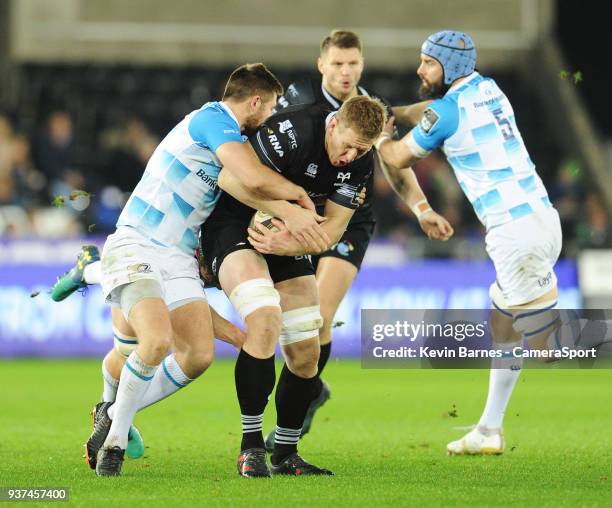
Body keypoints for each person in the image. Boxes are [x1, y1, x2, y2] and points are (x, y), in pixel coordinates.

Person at [82, 63, 331, 476]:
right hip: (139, 242)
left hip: (178, 256)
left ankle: (109, 410)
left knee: (197, 355)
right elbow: (251, 177)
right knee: (153, 342)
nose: (269, 118)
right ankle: (114, 440)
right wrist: (300, 197)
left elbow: (245, 190)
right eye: (268, 108)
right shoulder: (212, 119)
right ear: (254, 101)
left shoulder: (232, 137)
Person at [376, 30, 567, 455]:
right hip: (541, 220)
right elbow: (434, 111)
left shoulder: (447, 112)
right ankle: (488, 430)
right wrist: (403, 111)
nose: (420, 69)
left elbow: (396, 159)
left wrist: (379, 135)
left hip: (515, 234)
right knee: (502, 317)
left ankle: (490, 429)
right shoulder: (488, 89)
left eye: (428, 62)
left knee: (547, 348)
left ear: (450, 66)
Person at [266, 29, 453, 448]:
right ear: (322, 65)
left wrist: (422, 209)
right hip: (300, 214)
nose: (346, 72)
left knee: (318, 316)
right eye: (337, 64)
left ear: (362, 64)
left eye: (353, 64)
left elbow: (394, 165)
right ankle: (311, 388)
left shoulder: (373, 111)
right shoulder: (297, 98)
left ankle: (292, 420)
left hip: (349, 220)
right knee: (294, 321)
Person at [201, 95, 386, 477]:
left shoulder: (363, 161)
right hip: (232, 224)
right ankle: (250, 446)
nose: (350, 156)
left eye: (361, 150)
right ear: (334, 125)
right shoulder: (294, 130)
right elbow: (229, 177)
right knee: (265, 317)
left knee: (306, 346)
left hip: (289, 235)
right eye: (346, 145)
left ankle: (285, 451)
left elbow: (333, 229)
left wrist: (293, 241)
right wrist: (290, 213)